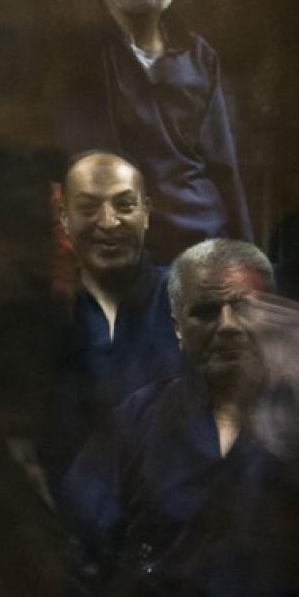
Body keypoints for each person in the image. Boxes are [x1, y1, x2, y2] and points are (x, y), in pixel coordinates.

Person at [61, 239, 299, 597]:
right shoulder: (135, 422)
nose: (228, 325)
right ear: (176, 328)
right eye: (205, 312)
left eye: (245, 308)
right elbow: (79, 550)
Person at [55, 0, 251, 261]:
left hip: (205, 246)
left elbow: (224, 170)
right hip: (124, 254)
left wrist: (248, 260)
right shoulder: (79, 57)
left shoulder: (200, 56)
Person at [39, 151, 186, 486]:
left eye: (124, 205)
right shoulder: (44, 316)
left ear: (146, 212)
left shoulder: (188, 298)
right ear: (64, 218)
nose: (108, 222)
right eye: (88, 208)